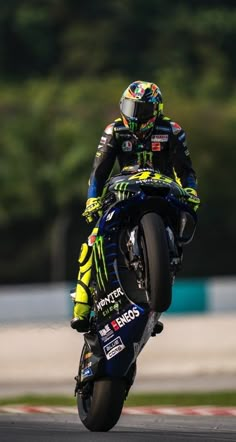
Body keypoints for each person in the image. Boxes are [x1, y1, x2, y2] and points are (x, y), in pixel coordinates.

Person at [71, 80, 200, 332]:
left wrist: (191, 192)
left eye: (141, 110)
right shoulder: (114, 131)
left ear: (156, 110)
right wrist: (92, 199)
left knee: (187, 220)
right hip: (124, 189)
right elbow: (99, 173)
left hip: (163, 189)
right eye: (131, 107)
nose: (135, 115)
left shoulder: (172, 130)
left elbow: (186, 171)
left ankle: (156, 292)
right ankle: (82, 306)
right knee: (94, 238)